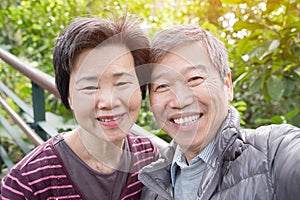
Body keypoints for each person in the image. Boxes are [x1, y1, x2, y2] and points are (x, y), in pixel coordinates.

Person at [1, 16, 159, 200]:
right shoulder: (26, 184)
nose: (108, 101)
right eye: (90, 87)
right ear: (68, 95)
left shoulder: (147, 156)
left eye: (123, 83)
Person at [138, 24, 300, 200]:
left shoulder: (273, 153)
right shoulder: (152, 187)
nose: (180, 100)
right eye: (162, 86)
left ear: (227, 85)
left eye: (194, 79)